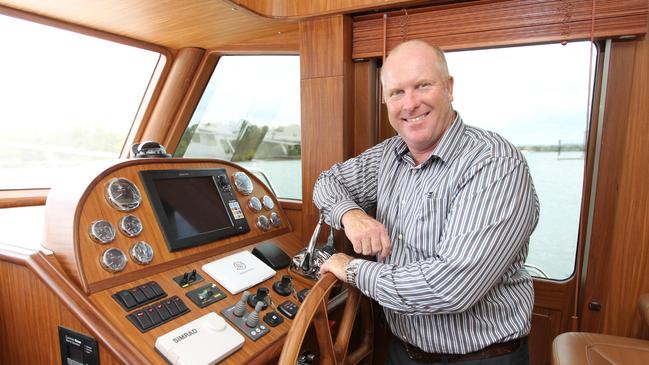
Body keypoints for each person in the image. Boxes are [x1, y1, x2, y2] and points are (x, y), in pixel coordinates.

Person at [316, 39, 539, 364]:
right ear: (385, 99)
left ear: (448, 88)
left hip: (482, 357)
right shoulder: (387, 155)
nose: (410, 104)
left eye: (422, 86)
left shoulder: (495, 163)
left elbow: (453, 285)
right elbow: (328, 182)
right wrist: (351, 214)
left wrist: (351, 269)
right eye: (397, 92)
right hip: (404, 350)